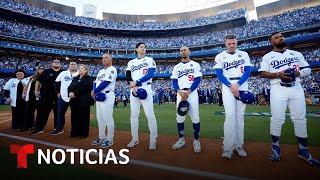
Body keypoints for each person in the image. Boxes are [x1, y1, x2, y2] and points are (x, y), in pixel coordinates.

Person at [259, 32, 319, 166]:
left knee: (300, 119)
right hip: (277, 88)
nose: (280, 38)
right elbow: (262, 73)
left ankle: (303, 150)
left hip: (296, 87)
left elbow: (308, 69)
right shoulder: (268, 56)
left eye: (281, 36)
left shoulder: (295, 54)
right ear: (271, 42)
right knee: (277, 119)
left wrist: (298, 73)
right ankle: (275, 148)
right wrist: (278, 74)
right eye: (276, 37)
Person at [214, 34, 252, 159]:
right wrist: (231, 85)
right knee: (230, 115)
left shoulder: (244, 54)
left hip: (242, 85)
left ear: (237, 43)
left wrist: (238, 84)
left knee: (240, 116)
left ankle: (239, 145)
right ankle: (227, 147)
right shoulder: (220, 56)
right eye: (229, 43)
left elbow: (247, 71)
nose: (232, 45)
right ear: (225, 43)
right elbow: (219, 74)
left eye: (234, 43)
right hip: (227, 86)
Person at [125, 42, 158, 150]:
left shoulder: (150, 59)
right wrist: (132, 85)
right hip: (134, 89)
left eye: (144, 47)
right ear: (136, 49)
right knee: (134, 115)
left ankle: (153, 140)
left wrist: (137, 82)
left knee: (150, 115)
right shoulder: (131, 62)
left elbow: (150, 74)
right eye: (141, 47)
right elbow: (128, 75)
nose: (143, 48)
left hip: (146, 87)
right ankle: (134, 139)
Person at [170, 46, 202, 153]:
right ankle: (181, 140)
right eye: (181, 50)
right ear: (180, 53)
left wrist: (188, 92)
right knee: (179, 117)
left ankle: (196, 141)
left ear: (189, 52)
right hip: (180, 93)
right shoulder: (176, 67)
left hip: (191, 93)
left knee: (195, 117)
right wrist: (179, 91)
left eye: (185, 50)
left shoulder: (195, 64)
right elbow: (174, 81)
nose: (183, 51)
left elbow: (197, 80)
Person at [91, 54, 117, 148]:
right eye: (102, 58)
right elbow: (96, 82)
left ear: (111, 60)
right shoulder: (101, 71)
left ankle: (110, 139)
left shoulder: (112, 69)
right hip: (99, 95)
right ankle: (101, 137)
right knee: (100, 118)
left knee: (108, 118)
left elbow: (106, 82)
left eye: (106, 57)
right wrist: (94, 91)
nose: (104, 59)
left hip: (107, 95)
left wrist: (94, 91)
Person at [31, 60, 62, 135]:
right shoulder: (46, 71)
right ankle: (39, 128)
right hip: (45, 96)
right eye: (55, 62)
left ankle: (57, 129)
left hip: (58, 97)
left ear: (60, 65)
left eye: (58, 62)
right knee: (41, 113)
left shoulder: (63, 72)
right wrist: (36, 91)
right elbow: (38, 81)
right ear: (52, 64)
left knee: (58, 114)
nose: (56, 63)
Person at [50, 62, 78, 135]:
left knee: (75, 114)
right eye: (71, 64)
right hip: (63, 96)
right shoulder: (63, 73)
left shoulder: (79, 73)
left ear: (77, 66)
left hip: (75, 97)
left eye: (74, 64)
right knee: (60, 113)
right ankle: (59, 129)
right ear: (68, 66)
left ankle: (75, 131)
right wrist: (58, 92)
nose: (73, 65)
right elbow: (56, 82)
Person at [68, 65, 94, 139]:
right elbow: (70, 87)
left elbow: (86, 88)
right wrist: (69, 93)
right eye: (79, 68)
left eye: (82, 68)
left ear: (86, 70)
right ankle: (75, 132)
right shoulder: (75, 78)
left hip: (84, 101)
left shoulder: (88, 78)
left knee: (84, 118)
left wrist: (75, 93)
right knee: (74, 117)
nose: (80, 69)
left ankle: (83, 133)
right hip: (74, 101)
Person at [22, 66, 44, 131]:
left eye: (43, 69)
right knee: (28, 112)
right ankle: (27, 126)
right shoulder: (32, 77)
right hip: (30, 96)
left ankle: (38, 127)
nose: (41, 70)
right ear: (37, 70)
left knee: (40, 113)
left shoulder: (46, 77)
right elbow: (26, 85)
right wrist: (24, 93)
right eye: (40, 69)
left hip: (40, 97)